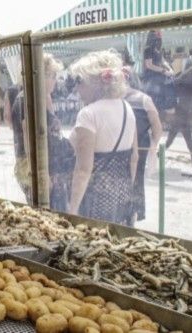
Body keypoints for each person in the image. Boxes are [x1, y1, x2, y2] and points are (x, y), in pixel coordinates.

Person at [68, 49, 138, 225]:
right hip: (122, 197)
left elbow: (83, 170)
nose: (76, 88)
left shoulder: (88, 114)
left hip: (95, 201)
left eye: (79, 81)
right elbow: (134, 158)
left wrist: (73, 209)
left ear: (95, 83)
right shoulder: (127, 108)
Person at [11, 54, 65, 205]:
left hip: (48, 161)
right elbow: (29, 137)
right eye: (51, 75)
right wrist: (39, 173)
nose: (55, 80)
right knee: (41, 208)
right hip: (34, 164)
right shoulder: (27, 98)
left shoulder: (44, 96)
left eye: (55, 75)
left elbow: (54, 128)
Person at [124, 67, 163, 223]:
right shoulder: (144, 99)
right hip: (140, 144)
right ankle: (133, 214)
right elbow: (157, 128)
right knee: (137, 179)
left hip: (123, 145)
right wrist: (153, 144)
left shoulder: (114, 98)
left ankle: (126, 213)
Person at [142, 30, 176, 115]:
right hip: (151, 74)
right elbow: (149, 65)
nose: (159, 40)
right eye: (157, 38)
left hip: (159, 72)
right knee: (162, 83)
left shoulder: (158, 49)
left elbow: (163, 61)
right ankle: (162, 106)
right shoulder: (148, 49)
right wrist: (163, 71)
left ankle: (170, 104)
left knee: (172, 80)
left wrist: (170, 69)